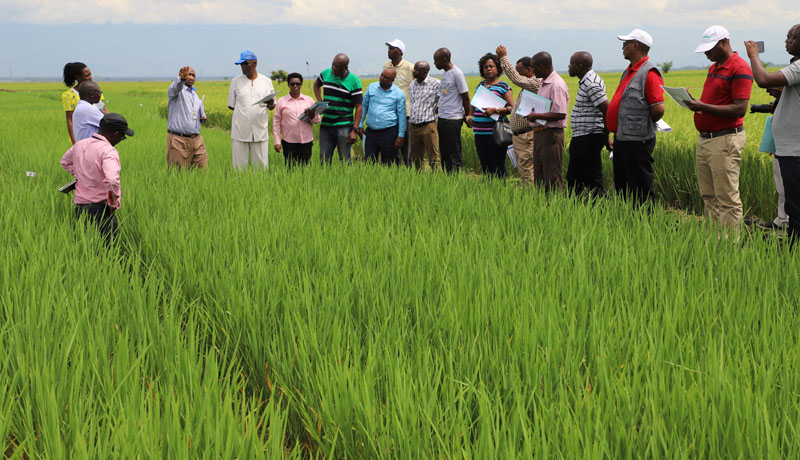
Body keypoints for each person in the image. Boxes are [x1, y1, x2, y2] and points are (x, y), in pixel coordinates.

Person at [683, 26, 752, 234]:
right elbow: (715, 101)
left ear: (724, 43)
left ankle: (730, 246)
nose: (706, 53)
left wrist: (702, 106)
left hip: (724, 140)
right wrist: (693, 102)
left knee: (727, 198)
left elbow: (740, 108)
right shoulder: (714, 67)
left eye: (709, 48)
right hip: (705, 140)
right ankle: (713, 241)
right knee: (708, 195)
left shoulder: (740, 68)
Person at [745, 24, 800, 244]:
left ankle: (793, 251)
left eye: (792, 37)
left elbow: (764, 79)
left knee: (795, 207)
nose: (788, 41)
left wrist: (753, 55)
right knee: (792, 204)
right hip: (789, 148)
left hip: (795, 150)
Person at [606, 29, 665, 205]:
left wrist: (640, 124)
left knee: (640, 188)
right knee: (623, 187)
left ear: (635, 45)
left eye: (625, 44)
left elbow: (658, 109)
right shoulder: (629, 71)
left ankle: (646, 224)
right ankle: (628, 223)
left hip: (637, 141)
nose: (622, 47)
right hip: (622, 139)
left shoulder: (649, 72)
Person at [60, 113, 134, 243]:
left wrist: (81, 175)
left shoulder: (80, 145)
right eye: (122, 137)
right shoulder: (108, 151)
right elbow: (112, 180)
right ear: (115, 134)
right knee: (109, 248)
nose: (121, 140)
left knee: (86, 247)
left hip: (80, 207)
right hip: (101, 208)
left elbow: (64, 162)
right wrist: (113, 204)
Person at [496, 45, 542, 185]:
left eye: (520, 70)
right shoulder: (527, 87)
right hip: (520, 136)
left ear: (530, 70)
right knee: (524, 169)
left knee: (527, 170)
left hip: (526, 135)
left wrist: (503, 58)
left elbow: (516, 79)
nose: (517, 74)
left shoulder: (536, 83)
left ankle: (530, 199)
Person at [566, 51, 610, 197]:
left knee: (589, 180)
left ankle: (599, 209)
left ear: (579, 66)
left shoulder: (591, 83)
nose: (568, 66)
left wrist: (606, 137)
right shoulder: (587, 81)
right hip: (584, 137)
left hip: (588, 137)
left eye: (571, 63)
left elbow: (607, 110)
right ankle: (580, 210)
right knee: (577, 179)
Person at [525, 52, 569, 192]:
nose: (532, 71)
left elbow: (560, 113)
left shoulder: (556, 84)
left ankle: (555, 209)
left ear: (542, 66)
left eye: (534, 67)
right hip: (540, 133)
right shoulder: (543, 83)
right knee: (540, 176)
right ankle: (543, 208)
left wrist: (536, 115)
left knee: (552, 176)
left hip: (550, 134)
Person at [227, 50, 275, 171]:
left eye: (246, 63)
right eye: (241, 64)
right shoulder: (235, 82)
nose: (243, 67)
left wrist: (270, 103)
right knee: (238, 169)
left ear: (255, 63)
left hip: (260, 131)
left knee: (261, 169)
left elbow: (272, 106)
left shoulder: (266, 81)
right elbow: (231, 105)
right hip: (240, 131)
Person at [314, 53, 363, 164]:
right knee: (324, 160)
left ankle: (346, 181)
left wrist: (354, 130)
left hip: (344, 127)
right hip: (326, 125)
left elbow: (359, 107)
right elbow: (316, 85)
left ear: (345, 68)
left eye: (337, 67)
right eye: (333, 65)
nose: (334, 69)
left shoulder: (354, 81)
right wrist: (320, 101)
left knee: (345, 160)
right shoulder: (326, 73)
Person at [471, 53, 514, 178]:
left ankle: (500, 191)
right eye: (485, 67)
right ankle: (489, 191)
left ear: (498, 68)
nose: (488, 69)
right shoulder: (481, 85)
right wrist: (469, 116)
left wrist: (495, 110)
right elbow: (473, 104)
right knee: (485, 166)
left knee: (497, 166)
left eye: (491, 66)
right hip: (479, 132)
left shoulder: (503, 86)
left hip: (495, 133)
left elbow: (512, 108)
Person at [433, 48, 472, 172]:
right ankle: (447, 177)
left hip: (453, 119)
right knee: (444, 152)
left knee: (453, 152)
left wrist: (468, 116)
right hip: (443, 118)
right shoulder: (445, 73)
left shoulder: (457, 73)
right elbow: (446, 94)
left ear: (444, 60)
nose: (435, 64)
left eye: (436, 61)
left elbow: (465, 97)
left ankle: (455, 177)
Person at [358, 68, 406, 164]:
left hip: (389, 132)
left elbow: (401, 116)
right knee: (369, 162)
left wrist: (400, 136)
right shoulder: (372, 87)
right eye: (382, 75)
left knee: (389, 163)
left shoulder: (398, 94)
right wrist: (359, 124)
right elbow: (364, 106)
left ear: (392, 80)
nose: (382, 78)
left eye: (386, 77)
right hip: (371, 132)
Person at [273, 73, 320, 167]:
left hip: (306, 141)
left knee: (305, 168)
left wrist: (312, 116)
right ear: (288, 85)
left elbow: (317, 120)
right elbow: (276, 122)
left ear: (301, 85)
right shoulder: (282, 101)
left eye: (298, 84)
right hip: (289, 141)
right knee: (290, 168)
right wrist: (277, 141)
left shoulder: (309, 100)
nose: (295, 86)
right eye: (292, 84)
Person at [167, 66, 208, 170]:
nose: (191, 77)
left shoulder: (195, 95)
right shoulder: (176, 92)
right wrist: (181, 79)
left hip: (197, 140)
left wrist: (202, 119)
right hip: (178, 140)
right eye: (188, 74)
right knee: (177, 175)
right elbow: (175, 87)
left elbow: (195, 116)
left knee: (203, 172)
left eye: (193, 75)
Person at [384, 39, 414, 165]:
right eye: (389, 48)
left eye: (392, 48)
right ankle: (395, 171)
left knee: (406, 145)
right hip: (390, 112)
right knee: (391, 144)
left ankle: (408, 170)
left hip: (405, 112)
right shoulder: (386, 66)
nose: (389, 50)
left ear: (400, 52)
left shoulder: (410, 67)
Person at [62, 62, 105, 144]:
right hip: (82, 136)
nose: (90, 77)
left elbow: (103, 110)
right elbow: (70, 120)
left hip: (98, 135)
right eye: (87, 75)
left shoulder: (96, 90)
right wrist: (75, 142)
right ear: (78, 77)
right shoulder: (69, 95)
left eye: (90, 74)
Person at [408, 61, 441, 170]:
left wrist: (437, 109)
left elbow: (444, 101)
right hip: (414, 126)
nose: (414, 71)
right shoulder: (412, 85)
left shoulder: (436, 84)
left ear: (425, 72)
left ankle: (438, 181)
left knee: (433, 158)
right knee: (416, 158)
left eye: (416, 70)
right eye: (414, 68)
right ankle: (420, 181)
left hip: (428, 126)